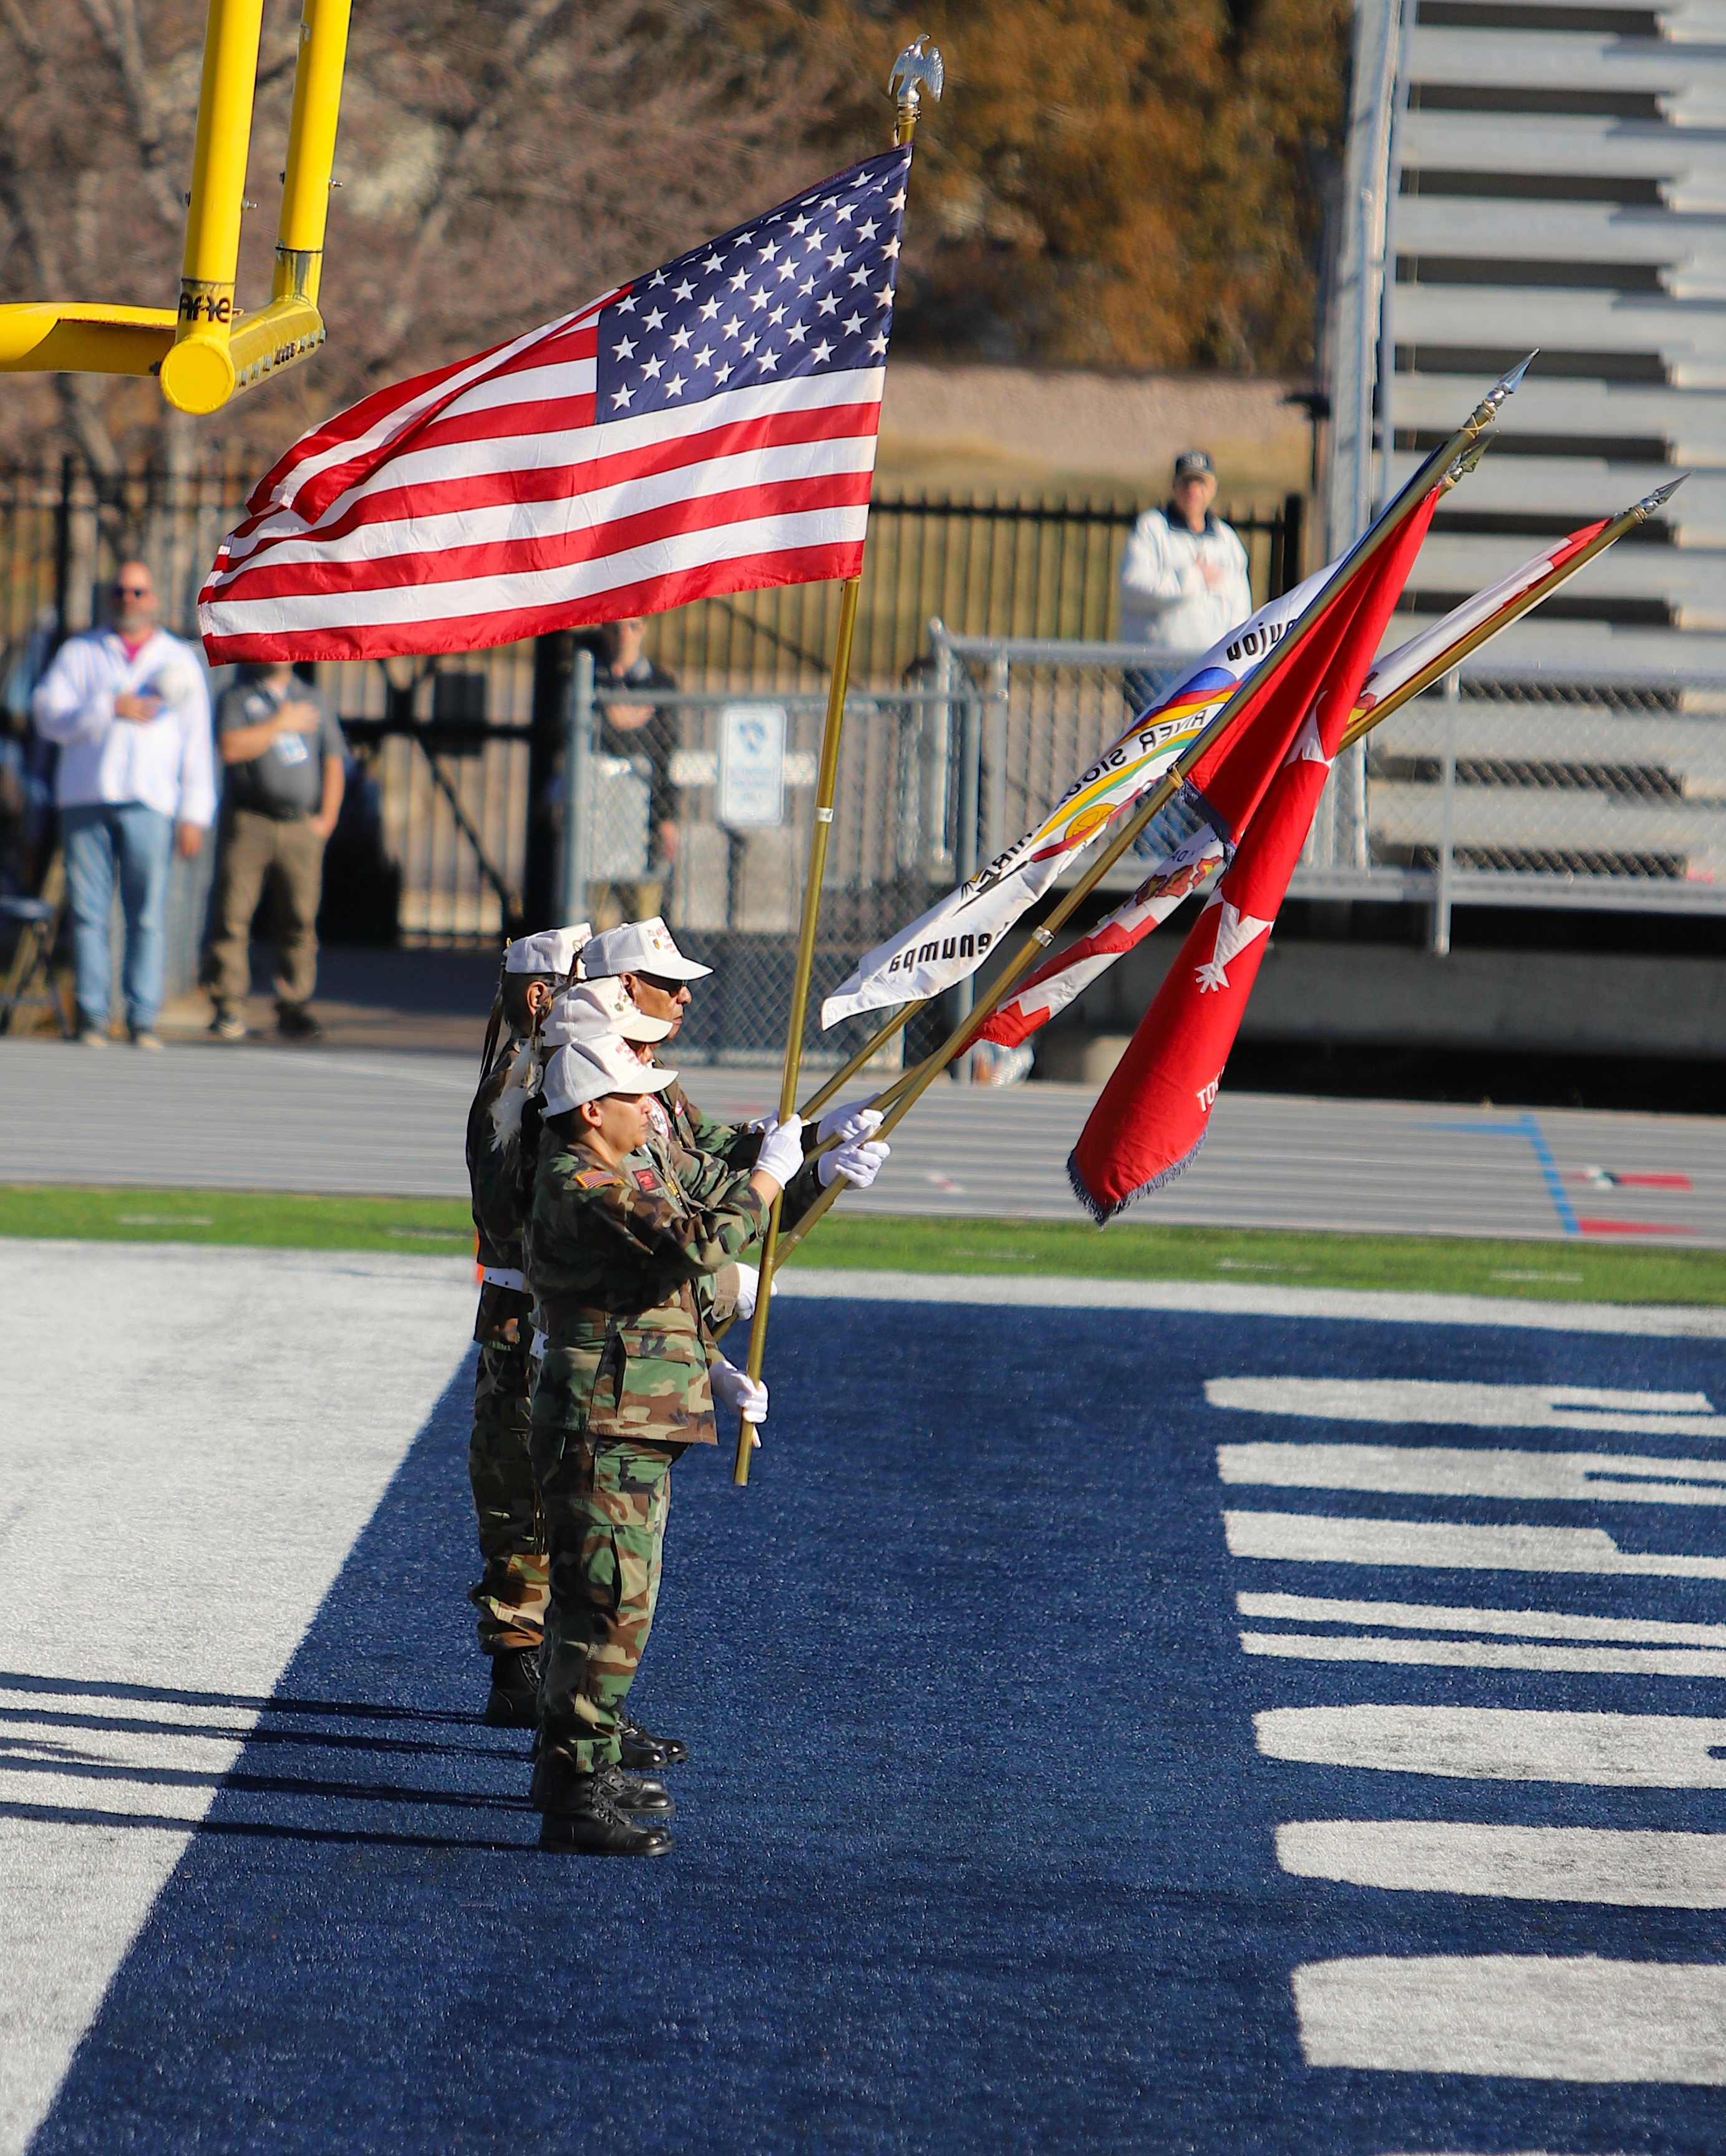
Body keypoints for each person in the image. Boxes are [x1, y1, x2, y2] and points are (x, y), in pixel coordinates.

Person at [524, 1034, 802, 1854]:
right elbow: (689, 1245)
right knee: (605, 1605)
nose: (653, 1106)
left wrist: (805, 1163)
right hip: (602, 1419)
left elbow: (671, 1264)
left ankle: (582, 1761)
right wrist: (767, 1179)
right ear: (589, 1112)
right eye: (634, 1096)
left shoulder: (626, 1167)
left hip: (632, 1414)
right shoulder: (580, 1180)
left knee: (616, 1605)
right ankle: (574, 1792)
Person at [465, 923, 599, 1728]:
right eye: (588, 980)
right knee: (535, 1485)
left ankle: (527, 1666)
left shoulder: (537, 1069)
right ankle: (530, 1669)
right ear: (544, 995)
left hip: (526, 1309)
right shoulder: (528, 1080)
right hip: (531, 1312)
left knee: (528, 1483)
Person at [29, 560, 215, 1048]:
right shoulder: (81, 652)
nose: (128, 600)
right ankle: (93, 1015)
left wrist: (195, 812)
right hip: (86, 796)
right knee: (89, 912)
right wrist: (106, 709)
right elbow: (46, 713)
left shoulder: (176, 659)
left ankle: (141, 1015)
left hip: (150, 799)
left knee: (146, 913)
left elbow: (196, 743)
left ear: (152, 598)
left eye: (138, 592)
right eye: (121, 591)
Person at [203, 661, 347, 1042]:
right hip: (251, 820)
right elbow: (231, 747)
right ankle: (229, 1003)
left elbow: (333, 761)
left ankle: (294, 1003)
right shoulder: (238, 697)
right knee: (233, 914)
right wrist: (279, 723)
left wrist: (326, 819)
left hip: (300, 825)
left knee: (300, 918)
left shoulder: (313, 698)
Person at [1119, 450, 1254, 711]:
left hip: (1211, 669)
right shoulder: (1152, 529)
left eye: (1201, 483)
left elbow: (1240, 611)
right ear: (1174, 486)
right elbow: (1133, 586)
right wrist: (1191, 580)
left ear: (1213, 488)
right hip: (1157, 668)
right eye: (1186, 483)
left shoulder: (1226, 541)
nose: (1193, 490)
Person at [591, 618, 679, 923]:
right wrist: (623, 725)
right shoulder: (588, 679)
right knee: (596, 917)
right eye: (615, 627)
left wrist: (667, 818)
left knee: (642, 917)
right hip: (597, 812)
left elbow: (665, 755)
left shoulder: (661, 684)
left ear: (644, 629)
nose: (623, 635)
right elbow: (582, 741)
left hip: (645, 814)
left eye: (632, 626)